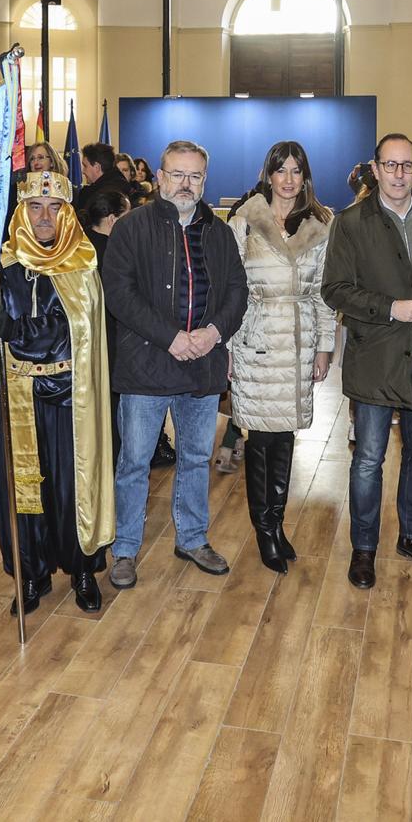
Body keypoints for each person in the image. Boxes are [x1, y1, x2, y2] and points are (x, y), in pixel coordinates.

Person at [0, 171, 114, 614]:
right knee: (20, 492)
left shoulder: (82, 266)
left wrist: (12, 328)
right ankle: (30, 574)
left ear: (67, 213)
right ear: (21, 212)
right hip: (13, 391)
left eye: (55, 207)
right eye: (35, 207)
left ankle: (82, 570)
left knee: (70, 488)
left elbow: (70, 332)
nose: (44, 217)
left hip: (67, 396)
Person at [103, 140, 248, 588]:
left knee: (194, 456)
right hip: (146, 365)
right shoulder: (131, 227)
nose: (186, 184)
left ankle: (191, 537)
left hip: (201, 364)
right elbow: (119, 293)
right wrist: (171, 338)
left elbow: (237, 292)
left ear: (205, 180)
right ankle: (125, 548)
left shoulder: (218, 231)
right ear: (161, 177)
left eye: (195, 176)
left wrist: (212, 334)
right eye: (178, 174)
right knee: (134, 461)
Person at [322, 133, 412, 590]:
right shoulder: (350, 223)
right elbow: (335, 289)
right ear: (375, 169)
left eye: (407, 166)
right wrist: (389, 307)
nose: (399, 174)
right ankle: (364, 549)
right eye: (391, 165)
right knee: (368, 459)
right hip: (376, 357)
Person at [226, 141, 333, 573]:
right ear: (268, 174)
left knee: (286, 436)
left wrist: (325, 346)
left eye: (296, 171)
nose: (288, 179)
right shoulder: (245, 221)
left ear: (305, 177)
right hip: (256, 339)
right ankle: (263, 531)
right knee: (260, 438)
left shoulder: (320, 225)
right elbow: (231, 291)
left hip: (300, 340)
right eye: (281, 170)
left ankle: (277, 522)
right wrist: (229, 349)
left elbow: (325, 293)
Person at [75, 142, 132, 222]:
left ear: (97, 167)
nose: (83, 171)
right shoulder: (118, 186)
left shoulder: (102, 196)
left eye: (85, 166)